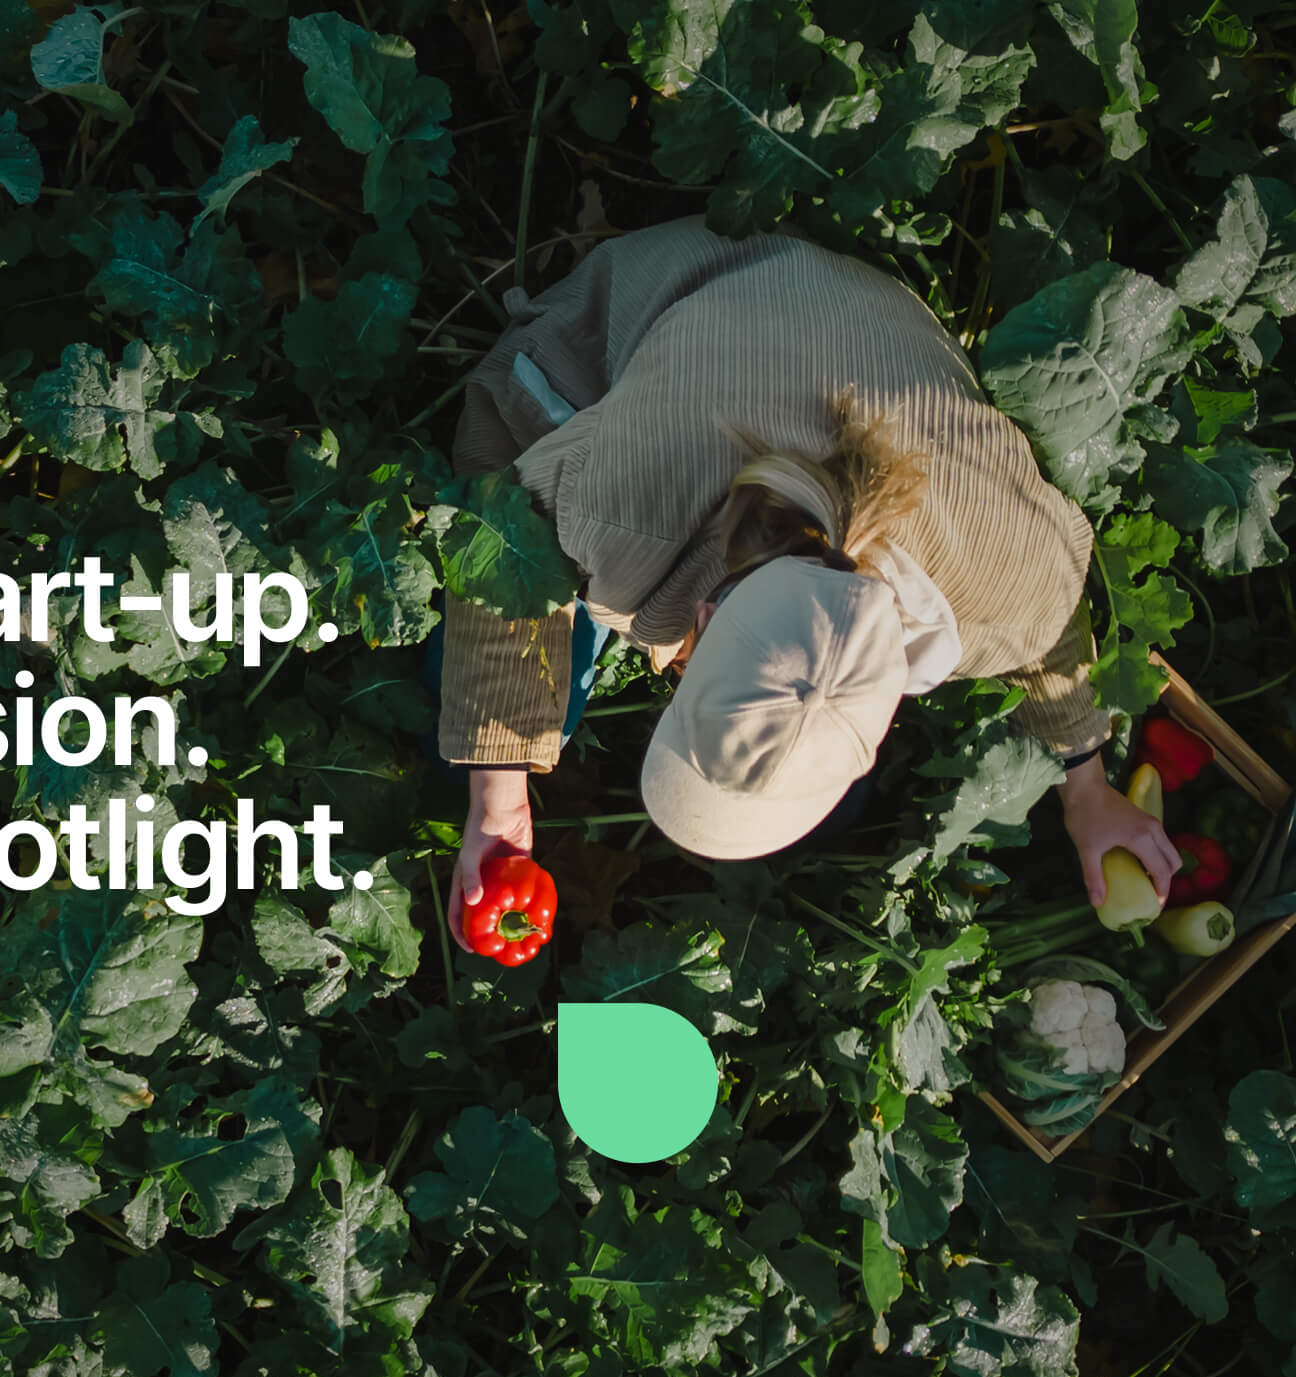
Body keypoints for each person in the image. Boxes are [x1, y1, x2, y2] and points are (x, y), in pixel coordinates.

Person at [438, 216, 1180, 951]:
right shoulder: (619, 501)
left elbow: (1045, 633)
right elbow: (506, 543)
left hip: (850, 316)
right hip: (663, 299)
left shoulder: (1002, 565)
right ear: (702, 615)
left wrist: (1086, 787)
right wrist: (498, 792)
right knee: (505, 699)